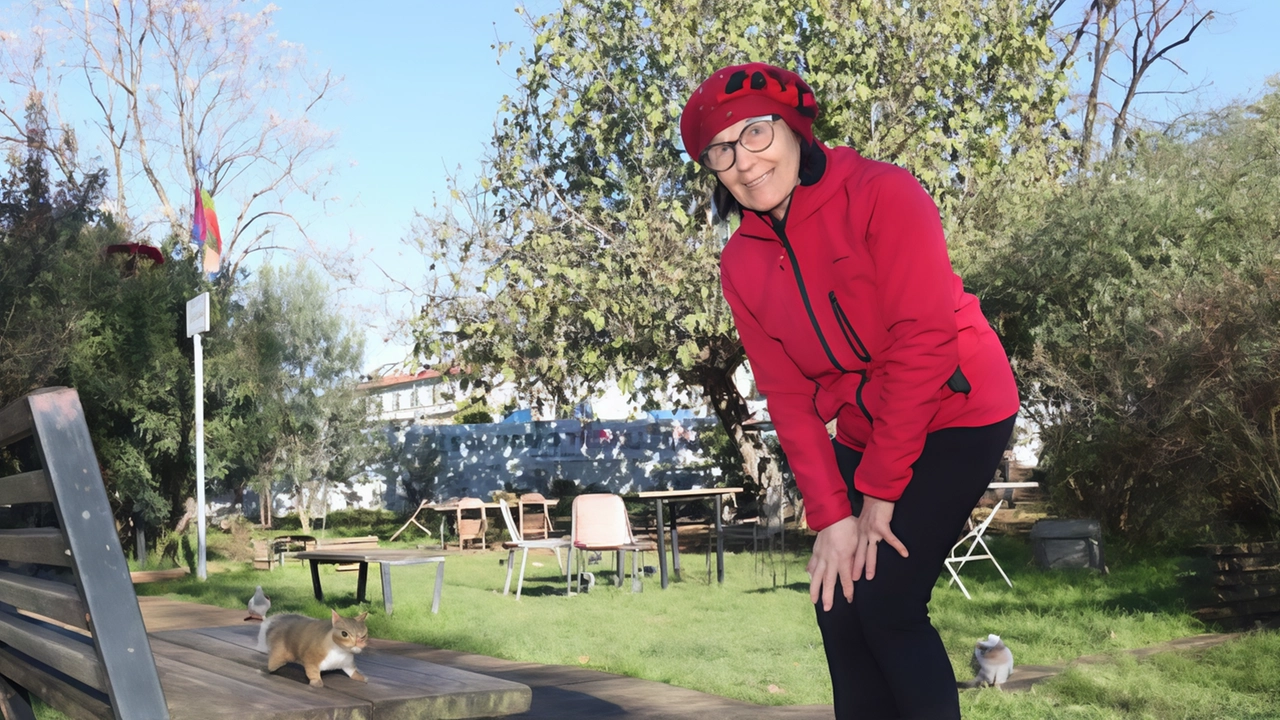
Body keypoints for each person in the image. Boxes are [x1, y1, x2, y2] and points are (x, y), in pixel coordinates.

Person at [680, 63, 1019, 720]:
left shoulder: (882, 194)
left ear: (795, 129)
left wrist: (880, 493)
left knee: (888, 601)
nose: (745, 163)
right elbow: (785, 394)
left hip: (959, 408)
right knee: (837, 602)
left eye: (757, 133)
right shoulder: (741, 262)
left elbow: (924, 343)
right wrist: (832, 514)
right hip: (867, 430)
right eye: (721, 150)